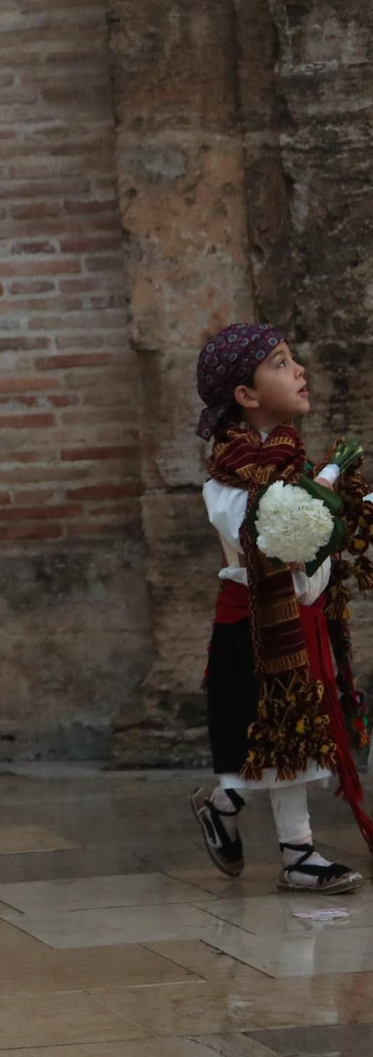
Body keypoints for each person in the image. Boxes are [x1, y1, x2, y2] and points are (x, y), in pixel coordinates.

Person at [188, 324, 370, 893]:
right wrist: (323, 505)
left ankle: (223, 804)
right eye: (280, 363)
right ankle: (298, 855)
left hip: (301, 619)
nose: (298, 371)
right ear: (246, 395)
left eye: (293, 360)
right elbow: (269, 535)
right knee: (278, 734)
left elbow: (326, 526)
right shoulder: (228, 479)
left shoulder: (295, 462)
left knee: (288, 735)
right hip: (256, 625)